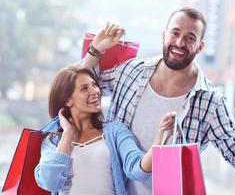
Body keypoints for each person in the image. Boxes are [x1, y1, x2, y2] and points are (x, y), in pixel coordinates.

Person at [81, 7, 235, 195]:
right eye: (175, 33)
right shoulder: (131, 71)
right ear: (164, 35)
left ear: (200, 47)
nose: (180, 42)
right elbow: (80, 91)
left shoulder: (211, 101)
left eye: (190, 38)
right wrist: (96, 48)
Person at [34, 66, 175, 195]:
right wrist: (68, 134)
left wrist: (160, 137)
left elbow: (138, 170)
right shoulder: (52, 142)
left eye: (94, 85)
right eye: (84, 88)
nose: (95, 91)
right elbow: (49, 182)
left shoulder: (115, 131)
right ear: (68, 100)